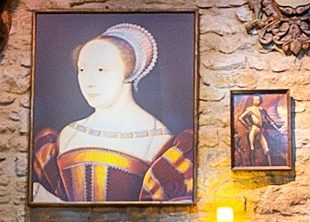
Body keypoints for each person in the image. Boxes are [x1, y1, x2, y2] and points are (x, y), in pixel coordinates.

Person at [32, 22, 194, 203]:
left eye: (101, 70)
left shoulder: (158, 141)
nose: (89, 81)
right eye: (82, 69)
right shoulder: (68, 134)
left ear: (129, 72)